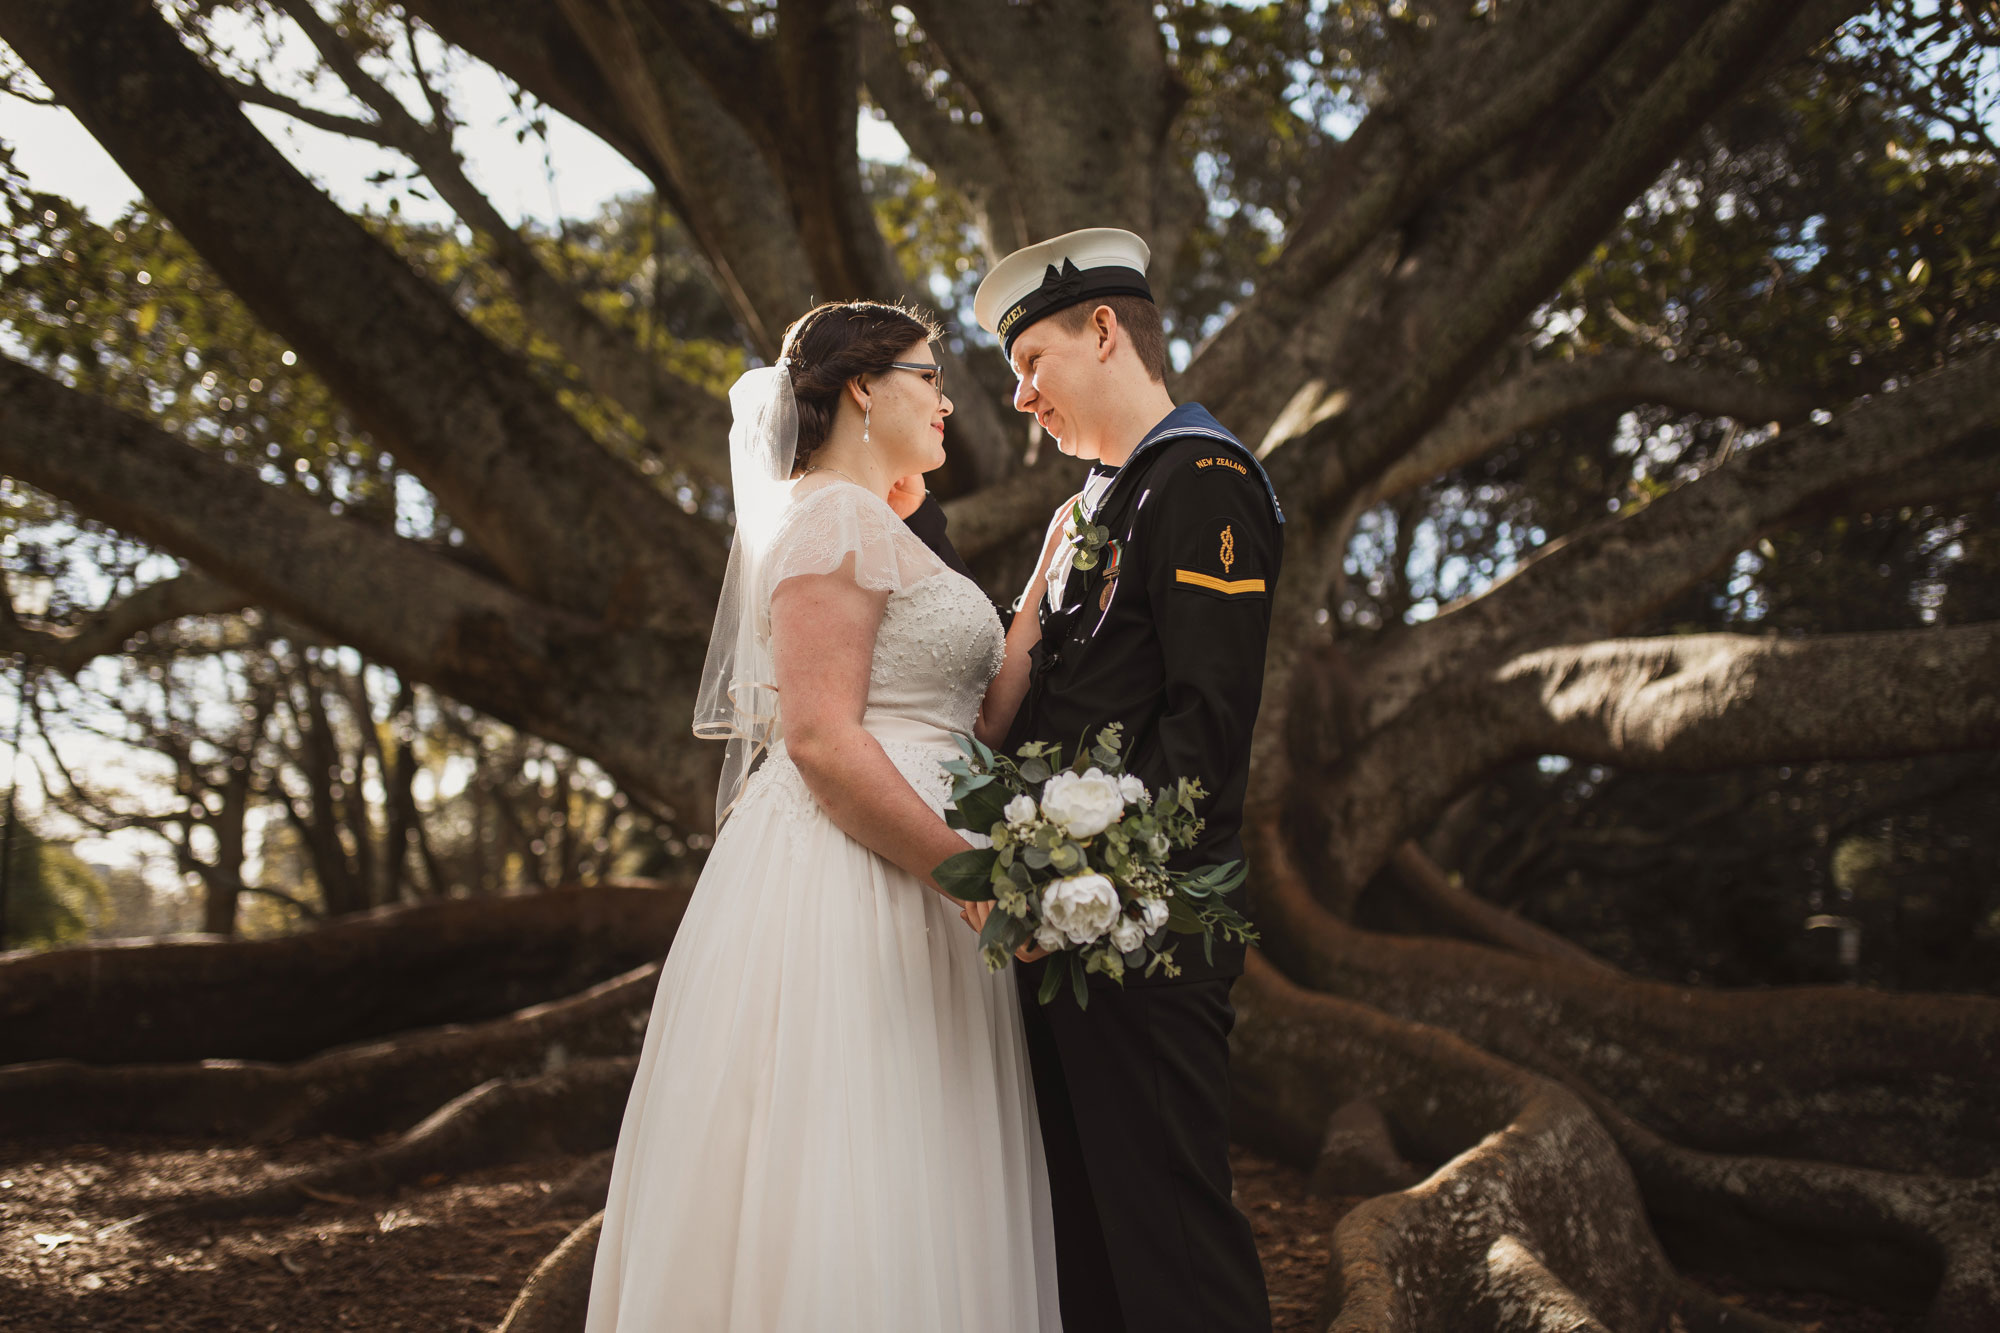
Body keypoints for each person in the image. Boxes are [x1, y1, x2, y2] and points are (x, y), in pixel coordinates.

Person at [583, 300, 1062, 1332]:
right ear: (861, 387)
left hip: (923, 871)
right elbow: (820, 739)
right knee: (859, 1155)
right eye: (928, 377)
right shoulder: (828, 515)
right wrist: (969, 880)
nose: (946, 400)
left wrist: (1045, 586)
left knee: (917, 1167)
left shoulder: (877, 524)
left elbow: (972, 721)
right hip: (861, 879)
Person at [968, 227, 1284, 1332]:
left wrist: (1076, 893)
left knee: (1172, 1249)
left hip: (1144, 935)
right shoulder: (1090, 507)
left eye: (1030, 364)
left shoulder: (1199, 482)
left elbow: (1202, 732)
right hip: (1060, 934)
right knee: (1087, 1251)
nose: (1018, 396)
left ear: (1103, 329)